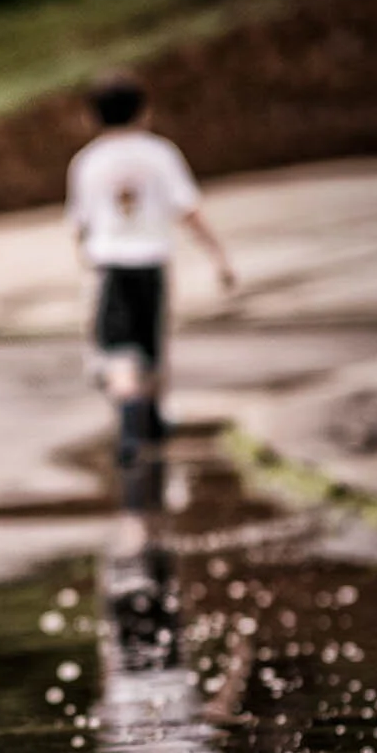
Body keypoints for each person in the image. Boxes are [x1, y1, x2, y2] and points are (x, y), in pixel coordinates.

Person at [66, 74, 234, 512]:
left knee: (117, 348)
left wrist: (85, 261)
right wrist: (219, 257)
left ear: (92, 117)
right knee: (152, 342)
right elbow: (189, 209)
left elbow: (80, 225)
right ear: (144, 111)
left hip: (111, 265)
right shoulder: (162, 153)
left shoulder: (86, 162)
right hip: (153, 262)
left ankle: (128, 420)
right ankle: (154, 415)